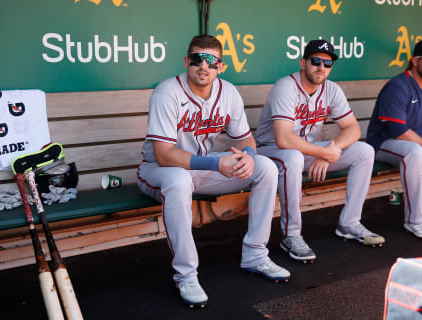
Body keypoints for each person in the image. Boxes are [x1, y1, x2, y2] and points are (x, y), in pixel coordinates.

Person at [137, 35, 290, 307]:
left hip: (200, 169)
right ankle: (186, 274)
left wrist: (249, 157)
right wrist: (217, 164)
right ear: (186, 61)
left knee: (265, 166)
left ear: (221, 66)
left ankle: (255, 254)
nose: (203, 66)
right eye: (196, 59)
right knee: (179, 180)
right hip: (158, 172)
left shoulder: (228, 92)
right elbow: (163, 155)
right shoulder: (166, 93)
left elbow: (246, 140)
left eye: (211, 60)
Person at [255, 39, 385, 263]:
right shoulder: (285, 87)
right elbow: (283, 138)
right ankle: (291, 235)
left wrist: (332, 148)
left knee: (364, 151)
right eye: (316, 61)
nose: (321, 68)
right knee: (293, 157)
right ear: (303, 62)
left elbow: (353, 128)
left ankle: (350, 223)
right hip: (271, 152)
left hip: (304, 151)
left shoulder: (331, 89)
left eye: (327, 63)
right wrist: (323, 153)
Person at [366, 38, 422, 240]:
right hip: (384, 144)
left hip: (420, 141)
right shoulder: (398, 86)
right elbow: (398, 130)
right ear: (415, 61)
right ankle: (415, 221)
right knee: (413, 151)